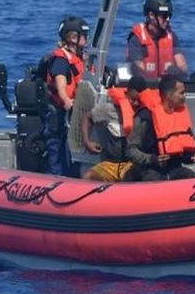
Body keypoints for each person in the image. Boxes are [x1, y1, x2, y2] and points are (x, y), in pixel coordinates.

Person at [127, 74, 195, 181]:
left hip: (174, 169)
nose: (185, 96)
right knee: (153, 181)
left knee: (194, 178)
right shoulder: (145, 117)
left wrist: (192, 157)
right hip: (149, 169)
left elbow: (184, 155)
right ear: (170, 95)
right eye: (181, 93)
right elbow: (131, 150)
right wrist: (152, 159)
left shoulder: (180, 116)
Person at [43, 16, 89, 176]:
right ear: (72, 38)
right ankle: (55, 176)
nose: (86, 39)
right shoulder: (61, 60)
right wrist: (66, 100)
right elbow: (60, 83)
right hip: (60, 109)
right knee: (56, 145)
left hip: (78, 111)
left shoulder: (83, 58)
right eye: (83, 36)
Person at [81, 76, 146, 181]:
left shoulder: (145, 113)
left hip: (131, 164)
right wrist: (87, 142)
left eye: (139, 100)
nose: (135, 103)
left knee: (132, 177)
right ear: (127, 93)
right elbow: (87, 117)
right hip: (110, 164)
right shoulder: (109, 109)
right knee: (87, 177)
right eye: (133, 100)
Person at [127, 0, 189, 80]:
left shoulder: (171, 36)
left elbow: (182, 66)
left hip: (168, 86)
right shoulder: (136, 39)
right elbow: (138, 69)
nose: (167, 20)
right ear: (151, 15)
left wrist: (177, 71)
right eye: (164, 16)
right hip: (146, 86)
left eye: (169, 16)